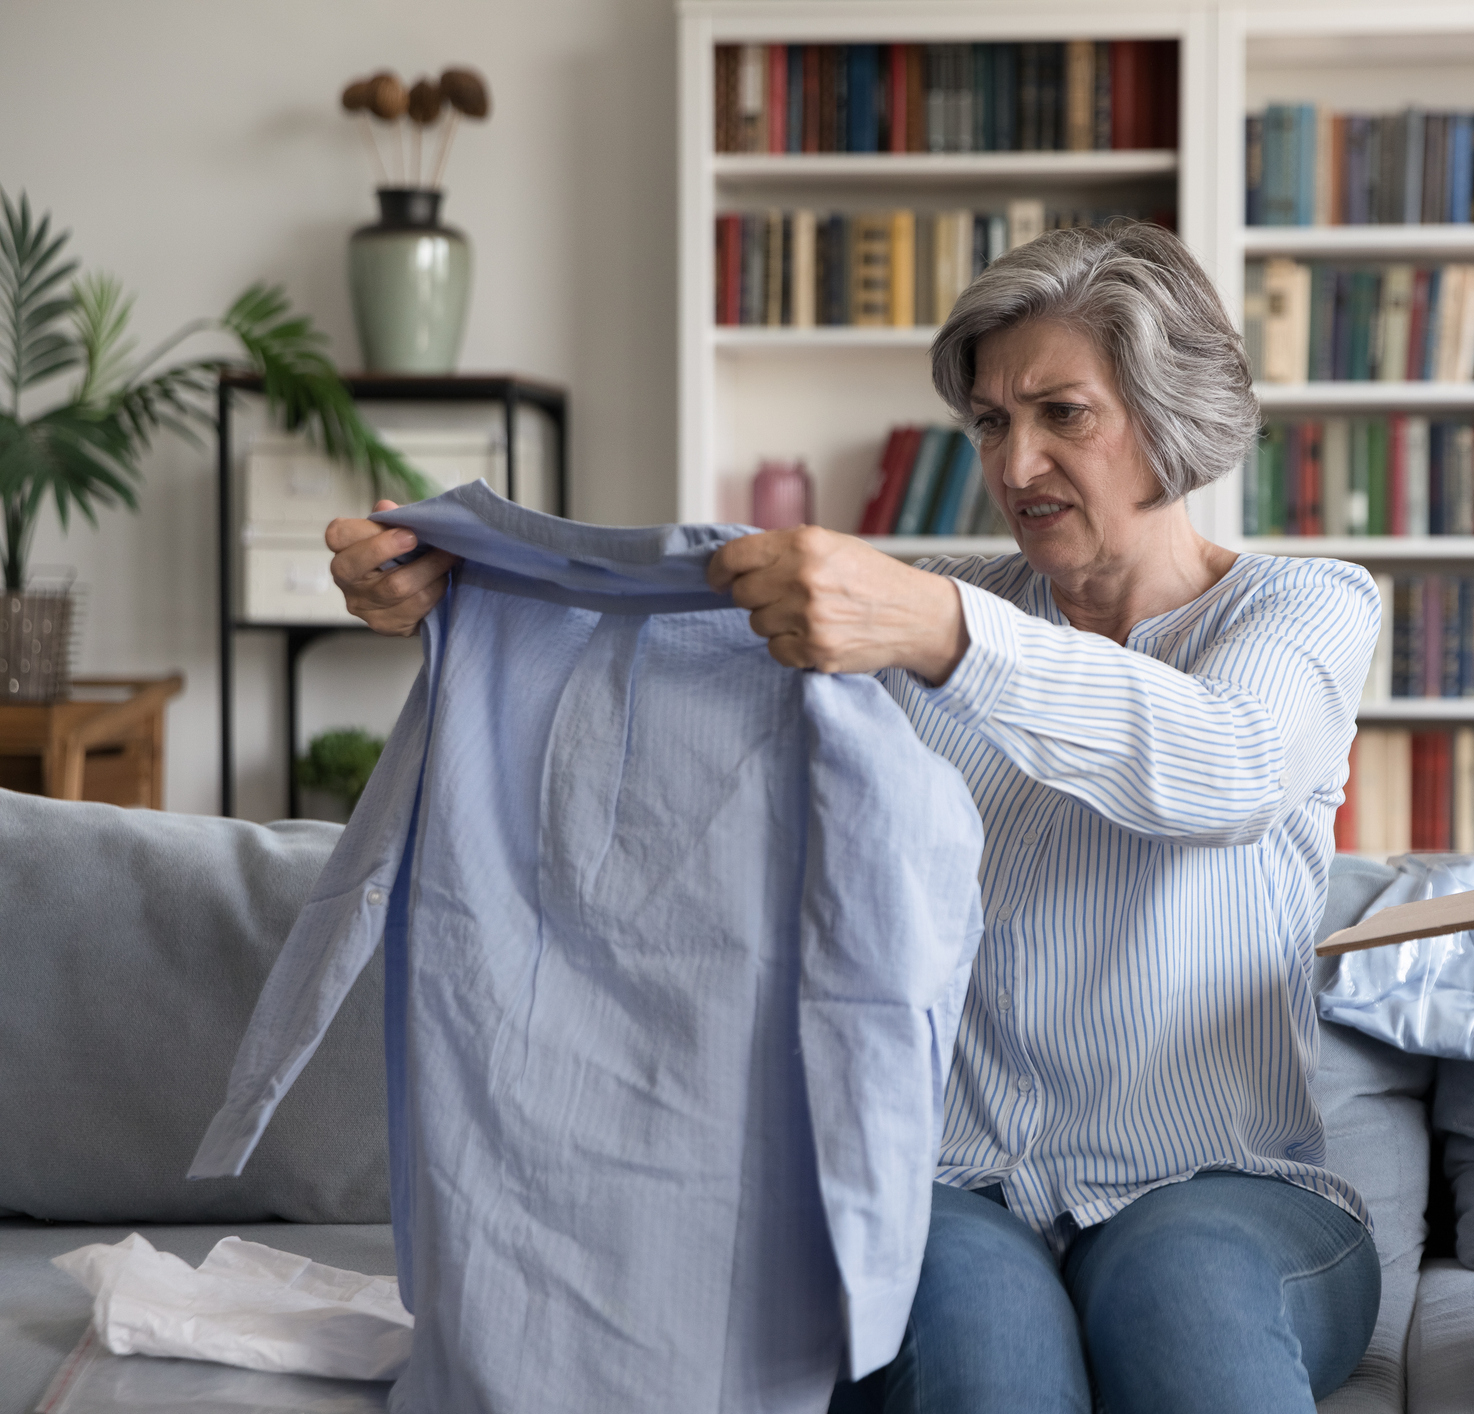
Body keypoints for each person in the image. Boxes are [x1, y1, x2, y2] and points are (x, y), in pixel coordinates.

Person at [326, 221, 1381, 1414]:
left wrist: (939, 632)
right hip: (950, 1182)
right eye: (990, 421)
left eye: (1062, 414)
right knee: (974, 1339)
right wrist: (464, 589)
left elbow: (1230, 765)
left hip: (1220, 1183)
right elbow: (676, 673)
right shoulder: (937, 607)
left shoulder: (1302, 606)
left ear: (1171, 409)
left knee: (1179, 1291)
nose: (1016, 461)